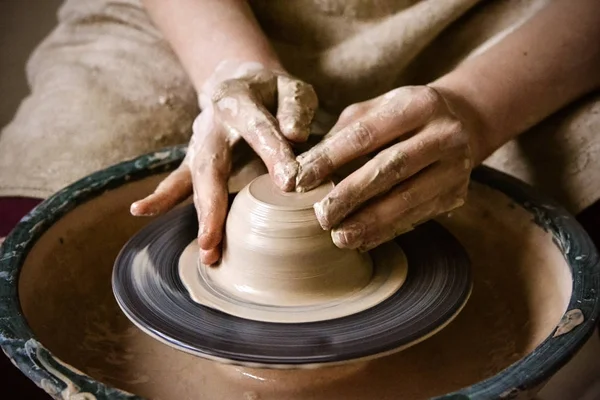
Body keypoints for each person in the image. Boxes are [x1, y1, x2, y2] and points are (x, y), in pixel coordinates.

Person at [0, 1, 599, 258]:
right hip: (202, 22)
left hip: (505, 28)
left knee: (565, 254)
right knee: (34, 246)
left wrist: (477, 108)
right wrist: (228, 68)